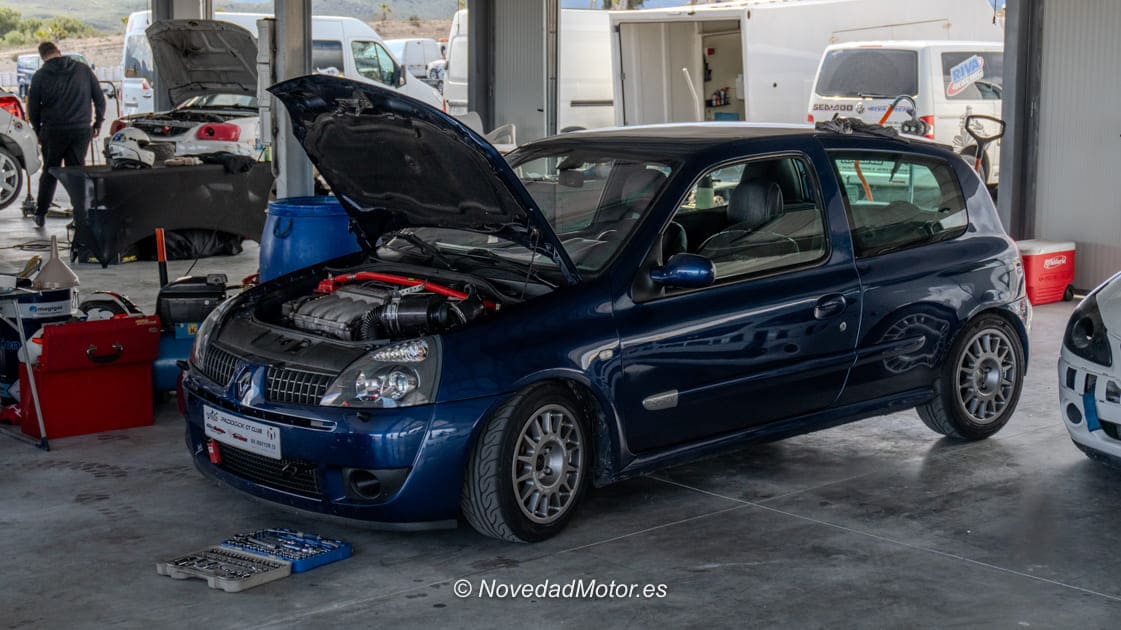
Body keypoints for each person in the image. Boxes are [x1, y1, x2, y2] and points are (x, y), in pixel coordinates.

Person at [26, 41, 105, 228]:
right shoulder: (83, 70)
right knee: (77, 172)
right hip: (80, 130)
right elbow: (100, 99)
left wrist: (38, 131)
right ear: (59, 52)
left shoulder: (40, 76)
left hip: (53, 131)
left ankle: (41, 214)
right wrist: (97, 123)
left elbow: (33, 108)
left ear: (42, 57)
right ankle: (80, 217)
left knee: (50, 171)